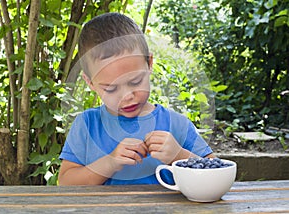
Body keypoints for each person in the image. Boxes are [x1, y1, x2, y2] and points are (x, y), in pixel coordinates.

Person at [58, 12, 215, 185]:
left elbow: (216, 173)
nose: (127, 96)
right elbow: (66, 182)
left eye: (135, 81)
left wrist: (180, 156)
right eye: (111, 88)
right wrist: (110, 163)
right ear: (90, 83)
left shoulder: (176, 124)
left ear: (149, 64)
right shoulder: (87, 125)